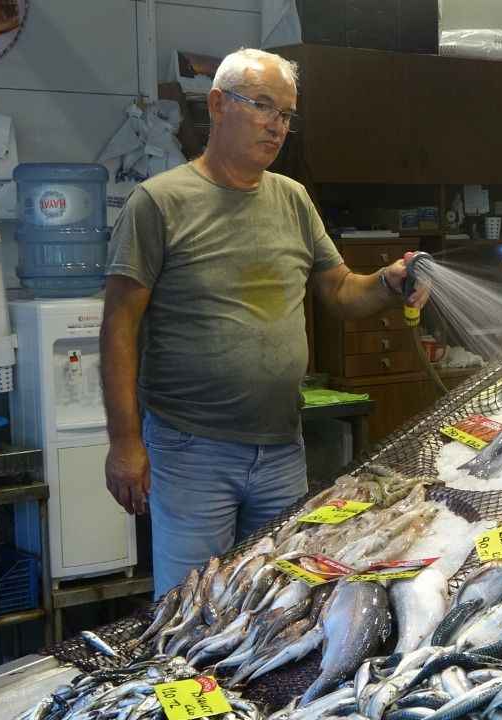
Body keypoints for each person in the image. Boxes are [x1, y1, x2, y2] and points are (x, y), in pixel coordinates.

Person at [101, 48, 427, 597]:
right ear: (217, 105)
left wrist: (389, 283)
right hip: (190, 448)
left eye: (287, 115)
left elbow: (341, 291)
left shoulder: (293, 199)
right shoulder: (158, 203)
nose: (277, 126)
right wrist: (125, 441)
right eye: (264, 107)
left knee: (274, 599)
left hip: (281, 447)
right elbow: (117, 329)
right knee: (191, 607)